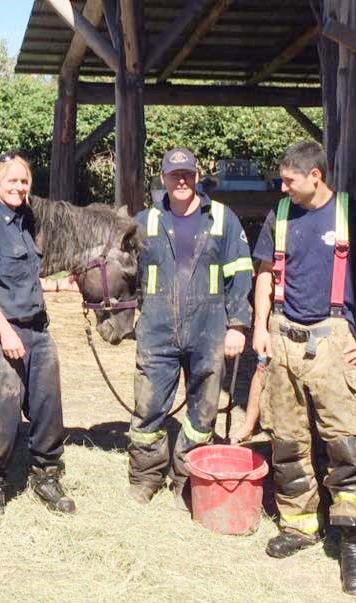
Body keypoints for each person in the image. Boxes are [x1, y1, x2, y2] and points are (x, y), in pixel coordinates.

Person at [251, 140, 356, 596]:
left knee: (346, 443)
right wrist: (260, 327)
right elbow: (264, 275)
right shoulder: (280, 214)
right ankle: (299, 525)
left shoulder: (354, 216)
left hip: (333, 343)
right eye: (283, 180)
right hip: (282, 337)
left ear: (315, 176)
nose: (285, 187)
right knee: (287, 439)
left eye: (290, 180)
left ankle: (353, 541)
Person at [128, 147, 253, 508]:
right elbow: (121, 272)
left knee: (203, 411)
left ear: (197, 177)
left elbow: (241, 273)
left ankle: (186, 476)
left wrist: (237, 326)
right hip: (157, 329)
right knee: (149, 406)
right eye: (173, 175)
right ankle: (146, 476)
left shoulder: (223, 219)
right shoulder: (144, 221)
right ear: (163, 179)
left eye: (187, 174)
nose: (181, 180)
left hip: (209, 329)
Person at [0, 151, 76, 521]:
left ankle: (47, 474)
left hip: (37, 331)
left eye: (24, 180)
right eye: (11, 180)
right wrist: (4, 331)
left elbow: (23, 277)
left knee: (48, 404)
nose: (19, 186)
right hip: (2, 334)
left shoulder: (25, 220)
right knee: (8, 404)